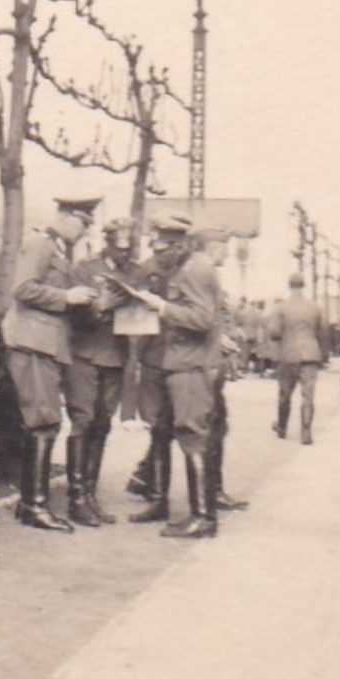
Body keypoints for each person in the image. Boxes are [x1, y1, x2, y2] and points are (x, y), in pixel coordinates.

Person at [1, 196, 102, 532]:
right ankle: (35, 507)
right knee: (43, 422)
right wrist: (66, 298)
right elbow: (23, 289)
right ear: (64, 216)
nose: (85, 228)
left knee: (42, 422)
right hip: (33, 342)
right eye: (82, 221)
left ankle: (30, 504)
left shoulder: (59, 250)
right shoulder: (40, 244)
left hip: (45, 344)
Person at [122, 216, 224, 538]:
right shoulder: (181, 268)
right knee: (162, 430)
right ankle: (159, 502)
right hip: (175, 363)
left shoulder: (195, 270)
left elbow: (202, 319)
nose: (157, 254)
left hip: (190, 366)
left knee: (192, 435)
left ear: (178, 246)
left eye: (161, 248)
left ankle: (204, 518)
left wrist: (161, 307)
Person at [62, 216, 139, 527]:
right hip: (85, 355)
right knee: (83, 421)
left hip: (116, 357)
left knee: (103, 424)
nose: (125, 253)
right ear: (107, 242)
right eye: (120, 247)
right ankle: (76, 499)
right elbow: (72, 317)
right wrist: (102, 306)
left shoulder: (134, 273)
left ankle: (91, 496)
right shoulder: (84, 269)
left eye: (129, 247)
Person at [195, 229, 249, 512]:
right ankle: (209, 497)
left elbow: (219, 316)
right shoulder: (200, 274)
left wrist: (230, 333)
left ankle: (213, 491)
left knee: (214, 426)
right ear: (212, 247)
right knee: (206, 429)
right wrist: (219, 338)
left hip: (211, 365)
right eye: (223, 248)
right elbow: (199, 320)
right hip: (201, 366)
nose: (227, 254)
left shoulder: (210, 277)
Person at [266, 272, 328, 445]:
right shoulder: (315, 307)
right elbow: (322, 332)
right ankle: (306, 433)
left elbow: (274, 333)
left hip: (289, 354)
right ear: (304, 285)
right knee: (308, 396)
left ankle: (282, 429)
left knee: (285, 393)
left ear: (289, 286)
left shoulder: (281, 308)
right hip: (310, 354)